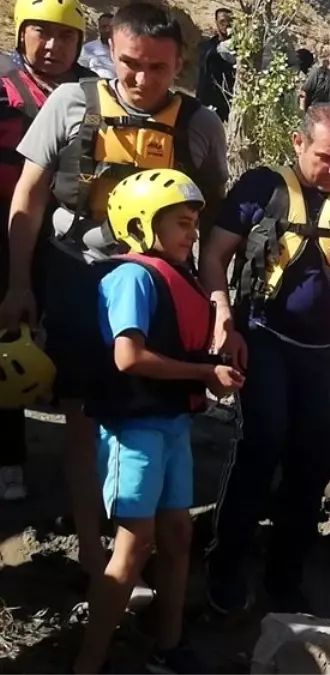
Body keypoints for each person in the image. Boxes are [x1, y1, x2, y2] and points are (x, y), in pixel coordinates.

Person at [0, 0, 227, 587]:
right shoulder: (70, 104)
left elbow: (214, 225)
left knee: (148, 413)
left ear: (180, 63)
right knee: (81, 413)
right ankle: (90, 545)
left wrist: (216, 302)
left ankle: (139, 535)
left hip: (158, 288)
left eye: (158, 67)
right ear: (109, 48)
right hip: (77, 275)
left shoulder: (200, 126)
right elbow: (28, 197)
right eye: (130, 64)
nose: (142, 80)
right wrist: (20, 283)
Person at [201, 103, 330, 615]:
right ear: (299, 144)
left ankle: (285, 577)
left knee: (311, 460)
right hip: (265, 336)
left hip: (328, 352)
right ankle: (225, 563)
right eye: (326, 158)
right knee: (262, 443)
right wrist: (222, 319)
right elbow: (213, 255)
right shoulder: (261, 188)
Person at [72, 170, 243, 675]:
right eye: (183, 224)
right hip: (137, 430)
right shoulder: (132, 276)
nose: (193, 234)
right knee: (133, 544)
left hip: (171, 425)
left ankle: (168, 647)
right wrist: (203, 372)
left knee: (177, 536)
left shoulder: (174, 275)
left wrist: (208, 374)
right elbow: (128, 357)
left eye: (194, 223)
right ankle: (88, 663)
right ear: (145, 224)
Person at [0, 0, 93, 502]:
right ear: (21, 33)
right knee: (5, 336)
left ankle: (78, 468)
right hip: (5, 226)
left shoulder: (90, 94)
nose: (53, 46)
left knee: (63, 341)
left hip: (62, 237)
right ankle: (9, 453)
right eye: (41, 33)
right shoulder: (2, 81)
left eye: (65, 36)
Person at [195, 8, 234, 122]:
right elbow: (203, 75)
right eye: (222, 21)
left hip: (227, 101)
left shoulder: (238, 48)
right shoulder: (208, 46)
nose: (226, 25)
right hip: (208, 100)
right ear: (216, 22)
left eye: (229, 21)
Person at [77, 12, 114, 79]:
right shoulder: (87, 49)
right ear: (99, 28)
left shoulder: (124, 49)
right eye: (104, 27)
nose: (107, 30)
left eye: (111, 27)